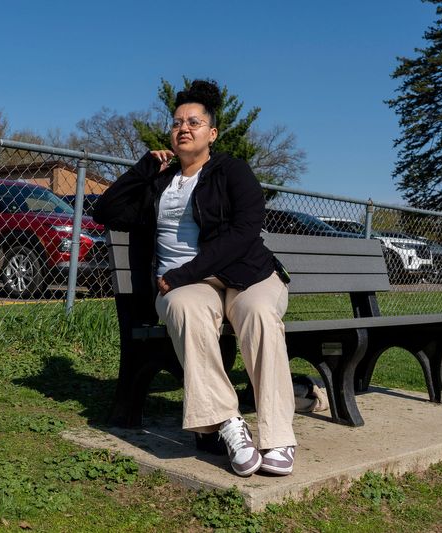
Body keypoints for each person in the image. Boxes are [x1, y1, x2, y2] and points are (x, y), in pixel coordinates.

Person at [93, 79, 297, 477]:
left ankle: (278, 436)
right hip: (189, 288)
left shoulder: (232, 171)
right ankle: (228, 424)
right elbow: (105, 210)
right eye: (176, 123)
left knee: (258, 316)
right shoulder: (158, 183)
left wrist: (183, 272)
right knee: (186, 308)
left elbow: (245, 231)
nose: (183, 128)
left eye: (194, 122)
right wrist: (145, 166)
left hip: (247, 275)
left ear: (212, 133)